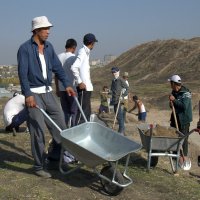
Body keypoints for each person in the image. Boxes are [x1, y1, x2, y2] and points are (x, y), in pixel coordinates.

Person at [17, 16, 75, 178]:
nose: (48, 32)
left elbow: (58, 68)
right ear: (36, 30)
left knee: (61, 127)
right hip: (34, 95)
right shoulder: (25, 48)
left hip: (48, 93)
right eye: (45, 29)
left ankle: (55, 159)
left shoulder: (49, 48)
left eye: (49, 28)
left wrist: (67, 84)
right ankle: (38, 166)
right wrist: (27, 94)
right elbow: (22, 73)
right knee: (38, 130)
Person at [71, 33, 98, 124]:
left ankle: (84, 132)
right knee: (82, 114)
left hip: (87, 88)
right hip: (83, 88)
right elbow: (74, 67)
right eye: (94, 43)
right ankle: (77, 134)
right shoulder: (82, 51)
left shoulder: (86, 52)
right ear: (92, 43)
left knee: (86, 113)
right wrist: (80, 82)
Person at [168, 74, 192, 156]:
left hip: (183, 120)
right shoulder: (174, 92)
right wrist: (171, 103)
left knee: (183, 139)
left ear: (174, 84)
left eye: (171, 83)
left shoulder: (186, 93)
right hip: (175, 119)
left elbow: (184, 106)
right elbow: (174, 106)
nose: (170, 85)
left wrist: (174, 100)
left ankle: (183, 157)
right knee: (174, 137)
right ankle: (175, 156)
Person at [55, 39, 78, 127]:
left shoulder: (58, 56)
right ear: (74, 47)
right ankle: (73, 129)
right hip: (72, 88)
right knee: (73, 111)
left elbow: (56, 74)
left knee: (65, 112)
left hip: (61, 88)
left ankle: (66, 129)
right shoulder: (73, 57)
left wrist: (57, 88)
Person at [110, 67, 128, 135]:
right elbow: (112, 89)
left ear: (118, 72)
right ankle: (122, 129)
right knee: (117, 115)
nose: (113, 73)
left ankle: (121, 131)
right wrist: (110, 92)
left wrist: (123, 95)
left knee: (119, 115)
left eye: (114, 72)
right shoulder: (113, 80)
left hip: (119, 99)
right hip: (114, 99)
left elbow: (127, 88)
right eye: (112, 72)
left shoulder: (121, 80)